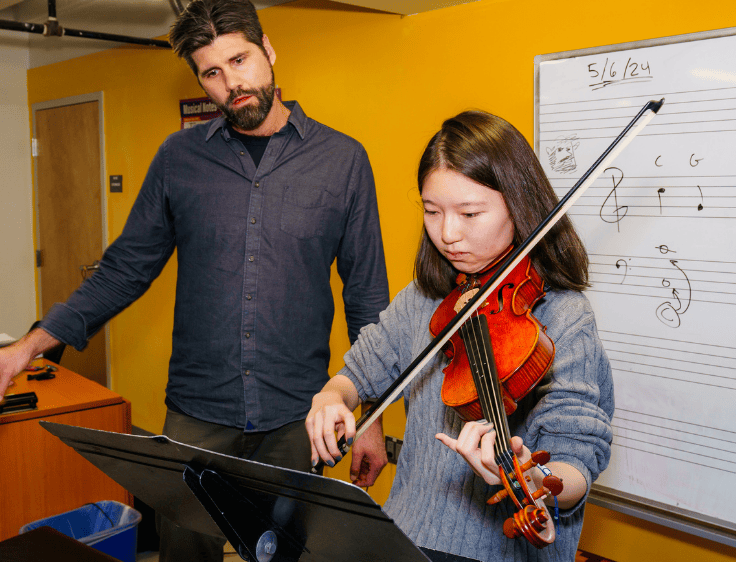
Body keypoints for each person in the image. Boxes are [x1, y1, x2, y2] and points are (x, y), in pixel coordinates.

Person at [0, 0, 390, 560]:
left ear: (269, 50)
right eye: (212, 72)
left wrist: (369, 415)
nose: (233, 84)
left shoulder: (343, 161)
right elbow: (123, 271)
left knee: (291, 553)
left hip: (297, 419)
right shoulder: (177, 159)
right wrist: (27, 349)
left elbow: (368, 299)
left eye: (240, 59)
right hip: (196, 418)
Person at [305, 110, 614, 562]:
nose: (447, 234)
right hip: (403, 539)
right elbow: (359, 372)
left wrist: (533, 480)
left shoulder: (565, 317)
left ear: (520, 204)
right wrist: (331, 398)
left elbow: (577, 464)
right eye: (432, 212)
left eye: (470, 213)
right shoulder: (427, 296)